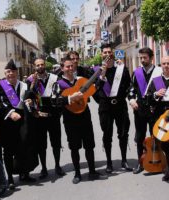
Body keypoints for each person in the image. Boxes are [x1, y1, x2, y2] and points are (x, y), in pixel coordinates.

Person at [52, 56, 107, 184]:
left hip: (85, 117)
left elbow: (95, 88)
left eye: (72, 66)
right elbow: (54, 101)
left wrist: (102, 75)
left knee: (89, 145)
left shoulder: (82, 80)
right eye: (67, 66)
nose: (70, 68)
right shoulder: (58, 84)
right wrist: (70, 98)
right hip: (70, 118)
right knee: (74, 147)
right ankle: (77, 173)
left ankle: (92, 171)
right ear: (62, 68)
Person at [0, 59, 35, 190]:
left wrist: (30, 101)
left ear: (17, 73)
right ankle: (10, 178)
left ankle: (24, 173)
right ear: (5, 73)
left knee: (23, 147)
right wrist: (10, 112)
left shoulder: (23, 85)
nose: (10, 74)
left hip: (22, 121)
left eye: (12, 71)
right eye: (8, 72)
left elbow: (31, 98)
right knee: (8, 151)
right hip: (7, 123)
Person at [94, 43, 132, 173]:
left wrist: (123, 96)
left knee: (123, 133)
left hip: (120, 105)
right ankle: (109, 162)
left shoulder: (121, 69)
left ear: (113, 53)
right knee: (107, 134)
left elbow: (128, 85)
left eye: (109, 52)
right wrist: (103, 74)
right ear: (101, 54)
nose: (107, 54)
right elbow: (95, 89)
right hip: (105, 107)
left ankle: (124, 160)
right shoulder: (97, 71)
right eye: (105, 52)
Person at [25, 58, 65, 179]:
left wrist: (59, 112)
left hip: (53, 116)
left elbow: (61, 95)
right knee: (41, 145)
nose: (40, 67)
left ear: (45, 66)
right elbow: (27, 97)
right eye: (38, 65)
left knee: (56, 142)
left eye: (42, 64)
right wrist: (32, 84)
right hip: (39, 117)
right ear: (34, 67)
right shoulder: (30, 80)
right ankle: (44, 168)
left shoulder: (54, 78)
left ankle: (58, 166)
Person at [128, 47, 162, 174]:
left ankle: (158, 161)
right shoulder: (137, 73)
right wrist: (131, 100)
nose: (142, 60)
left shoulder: (158, 72)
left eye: (145, 57)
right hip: (140, 109)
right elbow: (131, 89)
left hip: (155, 109)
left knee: (156, 136)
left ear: (151, 58)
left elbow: (161, 92)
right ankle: (140, 163)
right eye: (141, 58)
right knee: (140, 137)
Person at [147, 56, 169, 183]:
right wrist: (155, 94)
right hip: (161, 118)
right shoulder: (156, 81)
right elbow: (148, 98)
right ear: (161, 65)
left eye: (168, 63)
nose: (166, 65)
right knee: (165, 145)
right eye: (164, 63)